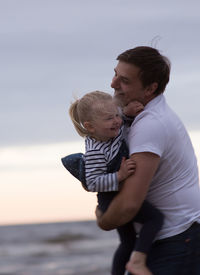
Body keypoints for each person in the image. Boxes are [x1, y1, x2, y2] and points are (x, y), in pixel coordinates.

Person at [95, 46, 200, 275]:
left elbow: (130, 204)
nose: (113, 83)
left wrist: (103, 220)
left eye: (124, 80)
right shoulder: (136, 117)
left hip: (177, 239)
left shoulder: (150, 124)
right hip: (174, 237)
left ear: (150, 88)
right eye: (115, 74)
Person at [62, 91, 164, 275]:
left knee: (128, 241)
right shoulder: (95, 151)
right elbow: (92, 183)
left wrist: (128, 112)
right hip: (110, 199)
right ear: (90, 127)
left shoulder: (110, 131)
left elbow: (120, 120)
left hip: (119, 191)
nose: (117, 121)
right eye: (110, 118)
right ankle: (138, 260)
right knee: (154, 219)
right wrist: (119, 175)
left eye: (117, 114)